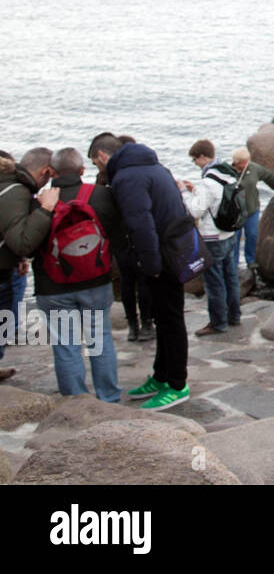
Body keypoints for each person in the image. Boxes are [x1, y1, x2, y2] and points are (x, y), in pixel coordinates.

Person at [91, 134, 191, 411]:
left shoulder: (128, 178)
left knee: (170, 320)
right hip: (173, 248)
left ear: (101, 156)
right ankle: (161, 375)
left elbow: (141, 224)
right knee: (163, 318)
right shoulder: (152, 167)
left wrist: (152, 266)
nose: (98, 169)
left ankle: (178, 384)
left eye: (94, 162)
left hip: (162, 257)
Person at [34, 147, 124, 402]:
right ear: (82, 170)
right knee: (100, 339)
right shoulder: (100, 195)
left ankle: (76, 401)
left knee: (66, 344)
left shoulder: (41, 202)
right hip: (95, 281)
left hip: (53, 285)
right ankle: (109, 397)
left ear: (51, 171)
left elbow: (31, 244)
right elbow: (117, 234)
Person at [0, 148, 59, 383]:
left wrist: (18, 260)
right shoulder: (17, 192)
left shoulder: (8, 185)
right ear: (45, 171)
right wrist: (45, 209)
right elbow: (22, 242)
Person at [90, 132, 153, 342]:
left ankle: (133, 326)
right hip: (134, 233)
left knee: (127, 281)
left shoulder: (103, 178)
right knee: (143, 281)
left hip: (117, 237)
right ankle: (146, 324)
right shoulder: (127, 174)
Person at [180, 139, 239, 336]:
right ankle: (234, 316)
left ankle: (218, 323)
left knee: (214, 283)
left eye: (195, 160)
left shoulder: (207, 181)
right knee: (231, 278)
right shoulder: (227, 174)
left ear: (203, 157)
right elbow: (218, 198)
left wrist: (183, 193)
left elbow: (195, 211)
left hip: (213, 238)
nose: (195, 163)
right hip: (230, 233)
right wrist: (195, 191)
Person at [229, 146, 274, 281]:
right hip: (235, 213)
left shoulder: (253, 168)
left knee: (252, 235)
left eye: (247, 161)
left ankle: (250, 261)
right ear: (236, 162)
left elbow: (270, 176)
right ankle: (233, 265)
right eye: (242, 162)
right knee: (234, 239)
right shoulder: (229, 173)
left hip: (252, 210)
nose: (245, 164)